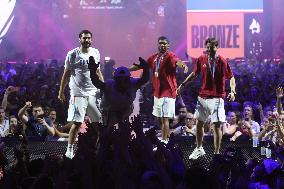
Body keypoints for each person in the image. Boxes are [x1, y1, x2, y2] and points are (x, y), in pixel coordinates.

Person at [177, 37, 236, 159]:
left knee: (216, 126)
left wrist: (233, 91)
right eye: (208, 47)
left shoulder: (222, 61)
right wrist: (183, 84)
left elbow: (231, 77)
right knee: (199, 123)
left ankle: (217, 153)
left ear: (217, 47)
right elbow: (194, 74)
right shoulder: (201, 59)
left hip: (217, 98)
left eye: (212, 47)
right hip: (203, 97)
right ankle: (199, 148)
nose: (209, 50)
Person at [129, 36, 188, 142]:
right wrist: (126, 69)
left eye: (165, 43)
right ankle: (165, 138)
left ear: (168, 46)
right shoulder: (153, 58)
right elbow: (141, 66)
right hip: (158, 93)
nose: (162, 45)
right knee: (159, 118)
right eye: (161, 43)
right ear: (157, 44)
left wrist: (183, 65)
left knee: (165, 118)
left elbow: (178, 61)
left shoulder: (170, 56)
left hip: (169, 92)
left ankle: (165, 141)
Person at [58, 29, 104, 159]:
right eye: (84, 38)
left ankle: (100, 148)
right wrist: (61, 91)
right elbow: (66, 74)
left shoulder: (96, 52)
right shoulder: (72, 54)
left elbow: (97, 71)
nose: (87, 40)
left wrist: (104, 86)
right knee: (77, 123)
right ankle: (70, 150)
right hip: (78, 93)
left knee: (99, 124)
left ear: (91, 39)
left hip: (93, 93)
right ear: (80, 39)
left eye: (89, 38)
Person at [89, 56, 149, 127]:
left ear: (129, 78)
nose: (122, 82)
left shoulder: (133, 83)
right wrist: (92, 70)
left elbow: (144, 79)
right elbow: (97, 83)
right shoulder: (109, 85)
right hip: (110, 110)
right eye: (120, 80)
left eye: (125, 79)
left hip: (126, 108)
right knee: (108, 128)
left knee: (124, 126)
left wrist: (146, 69)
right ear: (115, 79)